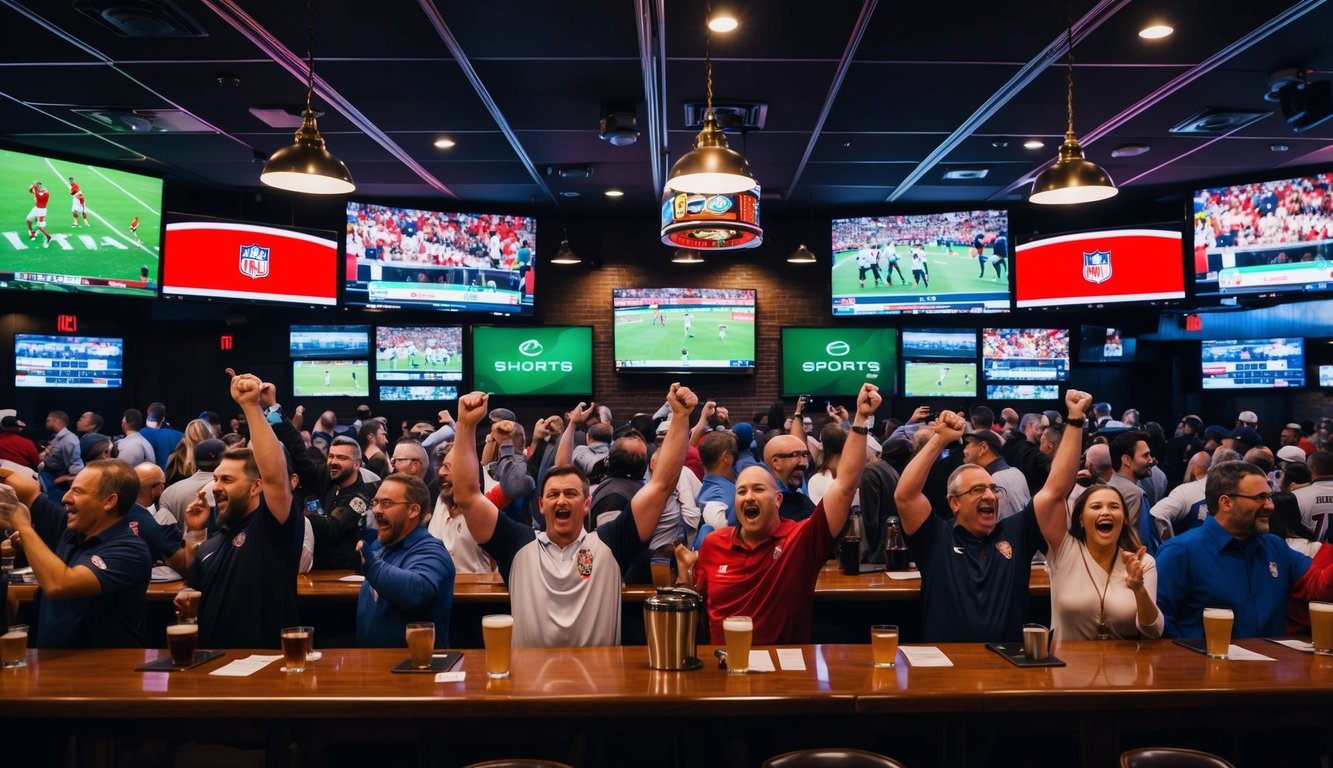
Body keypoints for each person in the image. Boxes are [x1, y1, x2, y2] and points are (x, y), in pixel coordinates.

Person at [451, 384, 696, 647]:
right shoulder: (517, 543)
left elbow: (661, 486)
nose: (562, 500)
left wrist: (680, 418)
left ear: (587, 503)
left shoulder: (611, 544)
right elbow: (467, 496)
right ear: (541, 505)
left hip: (598, 685)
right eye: (554, 495)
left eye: (571, 493)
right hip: (530, 685)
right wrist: (465, 425)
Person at [679, 383, 881, 645]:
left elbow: (844, 486)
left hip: (786, 674)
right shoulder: (714, 545)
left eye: (758, 489)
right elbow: (694, 606)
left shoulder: (799, 540)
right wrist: (684, 577)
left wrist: (861, 419)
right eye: (741, 492)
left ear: (777, 500)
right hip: (724, 671)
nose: (749, 496)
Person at [894, 391, 1091, 642]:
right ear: (954, 502)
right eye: (977, 490)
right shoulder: (935, 537)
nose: (990, 495)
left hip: (1008, 666)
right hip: (944, 670)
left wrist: (1075, 419)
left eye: (992, 489)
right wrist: (939, 439)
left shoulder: (1016, 532)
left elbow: (1055, 490)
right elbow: (905, 496)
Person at [177, 370, 300, 649]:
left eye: (228, 480)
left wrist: (251, 406)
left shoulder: (270, 527)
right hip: (212, 667)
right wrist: (195, 534)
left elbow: (275, 475)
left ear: (257, 487)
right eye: (216, 478)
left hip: (265, 669)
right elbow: (192, 585)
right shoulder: (212, 541)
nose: (217, 486)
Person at [1156, 461, 1332, 639]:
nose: (1270, 506)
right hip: (1206, 664)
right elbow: (1159, 626)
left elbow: (1319, 585)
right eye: (1260, 498)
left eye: (1269, 497)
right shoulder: (1179, 552)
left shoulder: (1276, 547)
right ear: (1226, 503)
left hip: (1270, 663)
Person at [0, 460, 150, 647]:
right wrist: (28, 545)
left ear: (109, 501)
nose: (65, 498)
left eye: (78, 491)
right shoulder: (72, 530)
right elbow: (27, 490)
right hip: (56, 666)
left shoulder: (129, 550)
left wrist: (24, 527)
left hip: (105, 671)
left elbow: (59, 585)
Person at [1039, 470, 1164, 641]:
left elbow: (1154, 633)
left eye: (1114, 507)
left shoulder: (1142, 562)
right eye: (1096, 507)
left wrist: (1138, 588)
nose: (1105, 512)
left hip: (1124, 666)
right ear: (1081, 520)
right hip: (1068, 665)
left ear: (1124, 519)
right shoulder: (1063, 552)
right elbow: (1048, 501)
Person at [356, 472, 454, 648]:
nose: (376, 510)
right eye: (375, 502)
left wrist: (371, 565)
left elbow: (417, 592)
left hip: (416, 668)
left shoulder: (432, 550)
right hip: (375, 667)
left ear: (413, 510)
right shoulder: (381, 548)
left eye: (386, 503)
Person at [41, 410, 83, 495]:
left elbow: (77, 466)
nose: (46, 423)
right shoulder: (57, 438)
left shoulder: (69, 439)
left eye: (48, 420)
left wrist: (65, 478)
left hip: (58, 482)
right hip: (50, 476)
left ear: (57, 421)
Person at [25, 180, 53, 247]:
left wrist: (34, 185)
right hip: (36, 208)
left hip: (41, 211)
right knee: (28, 219)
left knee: (40, 227)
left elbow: (32, 191)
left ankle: (48, 236)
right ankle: (32, 231)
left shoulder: (40, 193)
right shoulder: (42, 192)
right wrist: (34, 186)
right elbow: (30, 190)